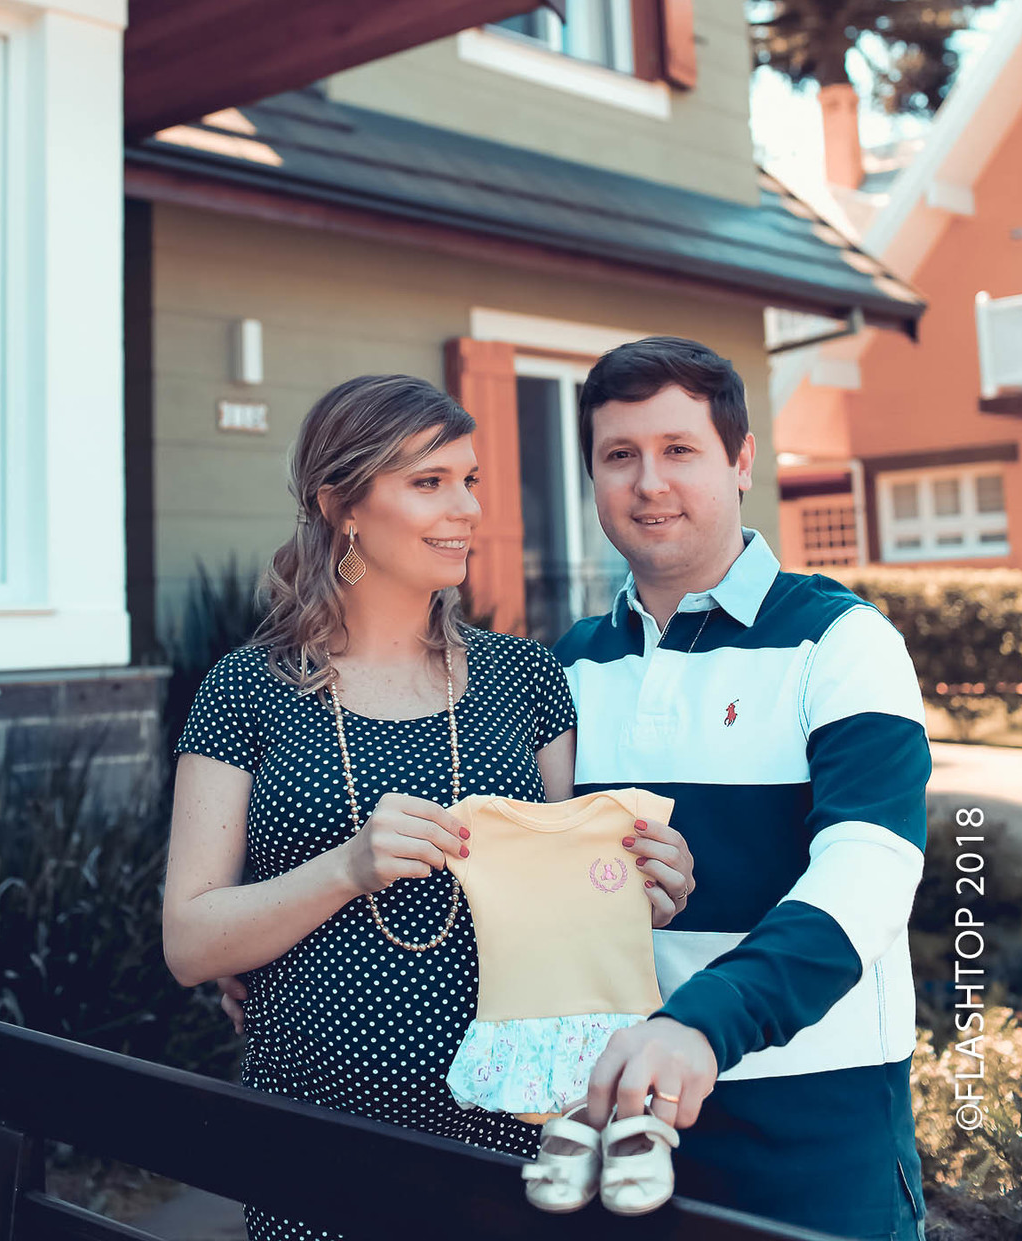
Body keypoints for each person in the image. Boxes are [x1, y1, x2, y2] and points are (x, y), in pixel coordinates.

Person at [162, 374, 695, 1241]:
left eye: (470, 479)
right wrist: (344, 869)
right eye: (429, 481)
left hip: (514, 1147)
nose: (468, 507)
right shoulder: (244, 692)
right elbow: (189, 941)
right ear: (344, 505)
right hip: (317, 1150)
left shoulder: (525, 680)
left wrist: (641, 885)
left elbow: (569, 903)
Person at [555, 336, 931, 1241]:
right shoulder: (566, 664)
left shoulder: (842, 640)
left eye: (679, 449)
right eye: (620, 455)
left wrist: (703, 1022)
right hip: (616, 1127)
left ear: (742, 459)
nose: (649, 482)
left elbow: (869, 870)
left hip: (813, 1130)